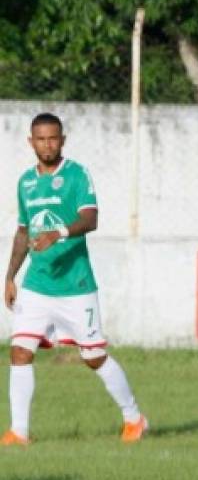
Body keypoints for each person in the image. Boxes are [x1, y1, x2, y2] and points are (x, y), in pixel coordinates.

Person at [2, 113, 147, 446]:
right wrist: (10, 276)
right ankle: (19, 432)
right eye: (41, 139)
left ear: (62, 140)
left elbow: (91, 218)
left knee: (93, 356)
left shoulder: (77, 175)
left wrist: (60, 232)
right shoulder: (25, 182)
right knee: (20, 352)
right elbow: (24, 231)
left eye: (53, 138)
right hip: (37, 285)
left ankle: (134, 418)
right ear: (31, 142)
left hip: (75, 286)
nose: (47, 144)